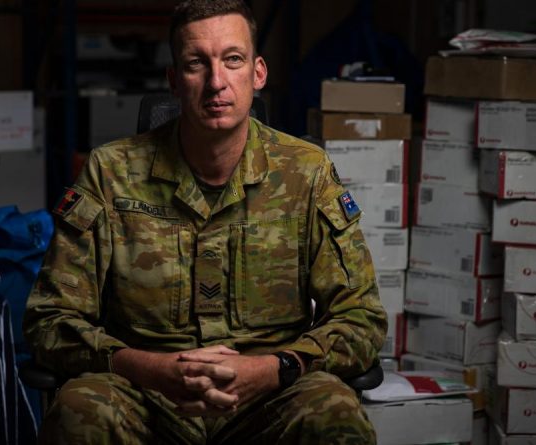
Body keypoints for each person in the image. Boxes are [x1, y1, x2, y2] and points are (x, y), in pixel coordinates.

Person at [23, 0, 387, 443]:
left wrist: (276, 368)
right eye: (197, 64)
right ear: (175, 81)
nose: (216, 82)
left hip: (268, 398)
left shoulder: (305, 173)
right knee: (81, 410)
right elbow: (50, 320)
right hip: (145, 397)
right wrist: (151, 369)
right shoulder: (111, 173)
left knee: (334, 415)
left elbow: (361, 318)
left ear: (258, 73)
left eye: (232, 60)